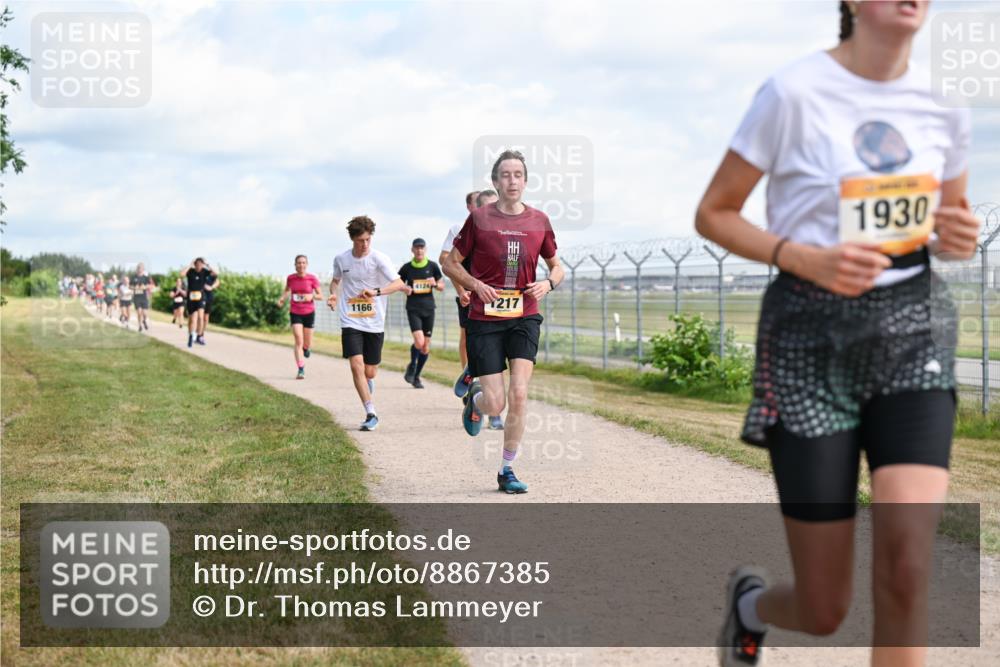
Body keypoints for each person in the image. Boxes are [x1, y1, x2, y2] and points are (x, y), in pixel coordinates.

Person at [694, 3, 978, 665]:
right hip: (808, 340)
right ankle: (750, 607)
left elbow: (949, 224)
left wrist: (955, 235)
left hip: (913, 333)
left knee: (908, 564)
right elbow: (714, 212)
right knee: (825, 607)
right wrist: (800, 255)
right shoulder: (793, 92)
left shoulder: (944, 107)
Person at [443, 150, 563, 494]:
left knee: (520, 393)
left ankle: (507, 469)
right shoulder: (479, 219)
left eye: (518, 174)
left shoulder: (539, 220)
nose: (512, 180)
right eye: (505, 175)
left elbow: (558, 266)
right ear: (496, 182)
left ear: (525, 181)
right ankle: (476, 403)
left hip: (524, 315)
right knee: (495, 402)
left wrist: (549, 283)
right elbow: (451, 263)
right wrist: (476, 285)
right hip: (485, 318)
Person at [327, 216, 408, 431]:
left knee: (370, 372)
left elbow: (399, 283)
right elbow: (335, 282)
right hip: (350, 320)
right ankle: (371, 412)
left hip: (374, 322)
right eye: (361, 240)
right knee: (356, 365)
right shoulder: (341, 260)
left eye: (368, 240)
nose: (365, 244)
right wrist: (333, 295)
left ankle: (367, 385)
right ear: (352, 239)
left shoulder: (379, 259)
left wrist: (376, 292)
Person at [440, 189, 505, 428]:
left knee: (500, 349)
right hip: (474, 297)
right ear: (473, 208)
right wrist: (462, 290)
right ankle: (488, 402)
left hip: (502, 299)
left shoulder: (507, 229)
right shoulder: (461, 229)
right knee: (478, 344)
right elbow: (447, 261)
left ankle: (475, 375)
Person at [398, 238, 445, 389]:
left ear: (425, 249)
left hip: (429, 308)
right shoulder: (407, 267)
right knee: (419, 342)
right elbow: (397, 283)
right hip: (413, 308)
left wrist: (435, 284)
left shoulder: (432, 266)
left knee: (425, 347)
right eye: (416, 248)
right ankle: (412, 365)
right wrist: (405, 288)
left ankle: (416, 376)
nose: (419, 250)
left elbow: (442, 286)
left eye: (421, 248)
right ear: (412, 250)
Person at [277, 255, 323, 379]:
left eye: (303, 263)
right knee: (298, 339)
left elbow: (321, 296)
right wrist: (282, 298)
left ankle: (306, 348)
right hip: (295, 312)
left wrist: (311, 296)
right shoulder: (291, 278)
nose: (301, 265)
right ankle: (301, 369)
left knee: (306, 343)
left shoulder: (312, 278)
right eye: (299, 263)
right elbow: (287, 290)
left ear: (306, 264)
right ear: (295, 265)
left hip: (309, 313)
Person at [184, 258, 217, 348]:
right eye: (197, 264)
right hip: (191, 297)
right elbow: (181, 274)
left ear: (202, 264)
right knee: (191, 320)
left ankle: (199, 335)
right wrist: (189, 265)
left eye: (201, 264)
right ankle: (191, 335)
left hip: (201, 297)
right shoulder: (190, 271)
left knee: (200, 317)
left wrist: (208, 264)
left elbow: (216, 274)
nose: (199, 265)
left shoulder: (204, 271)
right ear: (195, 264)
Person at [131, 263, 155, 332]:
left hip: (144, 297)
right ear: (137, 269)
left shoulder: (146, 277)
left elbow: (151, 285)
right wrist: (134, 287)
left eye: (141, 268)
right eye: (138, 268)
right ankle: (140, 325)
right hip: (137, 297)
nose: (139, 269)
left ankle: (144, 321)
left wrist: (145, 287)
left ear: (143, 269)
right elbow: (130, 286)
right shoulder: (134, 277)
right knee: (139, 312)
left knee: (145, 313)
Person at [200, 271, 220, 341]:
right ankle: (196, 333)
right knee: (200, 317)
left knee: (206, 318)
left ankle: (201, 334)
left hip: (209, 298)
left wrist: (212, 287)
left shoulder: (212, 276)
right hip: (201, 297)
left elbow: (217, 281)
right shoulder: (201, 273)